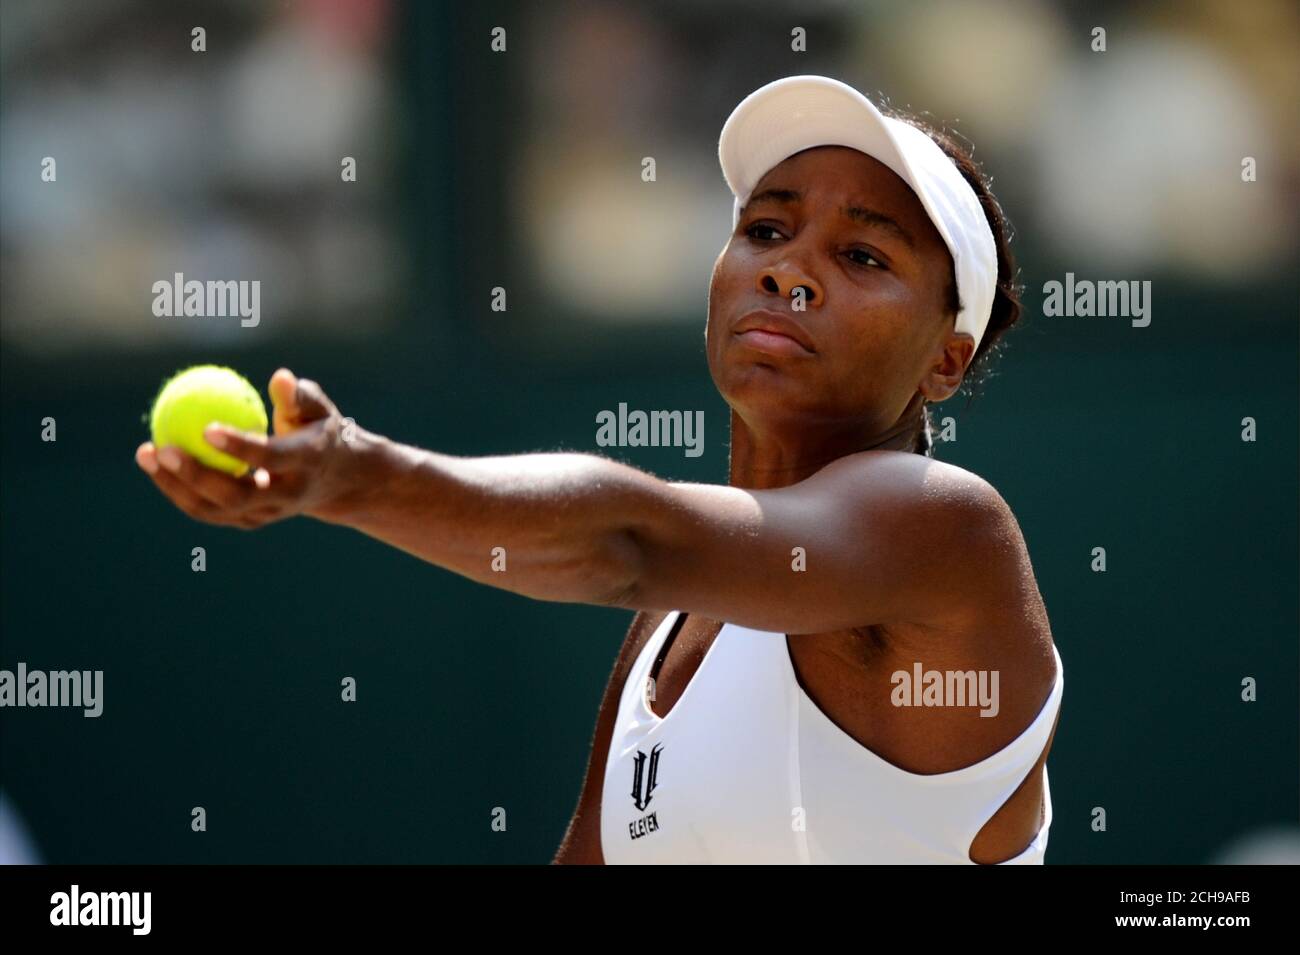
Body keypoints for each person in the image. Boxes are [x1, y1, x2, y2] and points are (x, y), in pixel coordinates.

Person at [135, 74, 1062, 865]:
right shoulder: (671, 623)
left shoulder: (949, 529)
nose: (791, 272)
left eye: (861, 254)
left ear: (947, 357)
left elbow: (627, 538)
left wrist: (357, 475)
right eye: (767, 231)